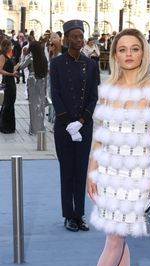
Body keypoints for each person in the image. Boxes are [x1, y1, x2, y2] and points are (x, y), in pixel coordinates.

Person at [72, 28, 150, 266]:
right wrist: (92, 170)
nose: (129, 54)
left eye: (135, 49)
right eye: (123, 49)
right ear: (114, 54)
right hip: (110, 173)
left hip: (138, 174)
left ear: (144, 53)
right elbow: (99, 137)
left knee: (114, 238)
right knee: (117, 235)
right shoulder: (107, 89)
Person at [50, 19, 98, 232]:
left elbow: (93, 96)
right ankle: (68, 215)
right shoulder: (57, 63)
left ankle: (79, 214)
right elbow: (56, 94)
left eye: (81, 36)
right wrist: (67, 121)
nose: (79, 40)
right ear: (66, 38)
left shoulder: (91, 64)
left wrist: (81, 121)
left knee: (81, 171)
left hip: (84, 125)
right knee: (67, 171)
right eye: (75, 36)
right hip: (63, 126)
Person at [19, 41, 48, 135]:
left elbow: (22, 67)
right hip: (42, 81)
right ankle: (41, 127)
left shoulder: (31, 58)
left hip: (32, 81)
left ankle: (33, 129)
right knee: (41, 105)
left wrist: (23, 57)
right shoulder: (44, 58)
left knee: (33, 105)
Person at [0, 39, 19, 134]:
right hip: (7, 82)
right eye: (11, 45)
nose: (12, 47)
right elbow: (0, 70)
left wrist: (18, 65)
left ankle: (9, 126)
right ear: (7, 46)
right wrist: (11, 74)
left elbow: (10, 68)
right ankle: (4, 126)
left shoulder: (8, 55)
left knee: (10, 102)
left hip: (11, 81)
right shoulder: (2, 56)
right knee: (8, 102)